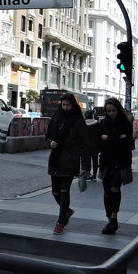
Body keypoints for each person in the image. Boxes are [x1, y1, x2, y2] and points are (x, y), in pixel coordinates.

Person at [46, 93, 86, 235]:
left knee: (64, 191)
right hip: (55, 159)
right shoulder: (56, 117)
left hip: (70, 160)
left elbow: (83, 143)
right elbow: (48, 136)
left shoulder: (78, 122)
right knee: (55, 192)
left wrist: (85, 165)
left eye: (68, 105)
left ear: (73, 106)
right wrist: (50, 142)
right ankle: (67, 211)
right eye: (63, 105)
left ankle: (60, 222)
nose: (65, 107)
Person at [97, 97, 133, 235]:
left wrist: (109, 139)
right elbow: (99, 142)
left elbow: (126, 144)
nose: (111, 113)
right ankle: (110, 219)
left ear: (118, 109)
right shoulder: (103, 123)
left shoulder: (126, 124)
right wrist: (117, 139)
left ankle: (114, 216)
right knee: (107, 192)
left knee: (114, 188)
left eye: (113, 110)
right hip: (106, 162)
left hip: (120, 162)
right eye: (108, 111)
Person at [82, 110, 100, 182]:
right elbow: (99, 135)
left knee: (87, 161)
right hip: (95, 145)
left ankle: (87, 175)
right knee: (95, 161)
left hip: (86, 146)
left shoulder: (83, 124)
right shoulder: (97, 123)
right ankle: (94, 176)